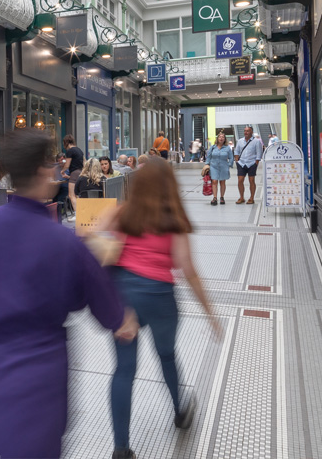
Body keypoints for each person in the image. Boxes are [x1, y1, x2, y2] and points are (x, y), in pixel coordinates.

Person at [0, 129, 135, 459]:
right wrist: (125, 318)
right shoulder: (64, 242)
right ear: (43, 171)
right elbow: (113, 315)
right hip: (36, 390)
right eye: (53, 164)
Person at [101, 158, 221, 459]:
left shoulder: (121, 215)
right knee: (166, 354)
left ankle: (121, 448)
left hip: (124, 298)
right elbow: (189, 271)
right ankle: (180, 411)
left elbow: (99, 251)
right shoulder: (173, 222)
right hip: (160, 298)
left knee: (124, 369)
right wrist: (210, 314)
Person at [234, 125, 263, 204]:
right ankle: (241, 197)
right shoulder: (240, 141)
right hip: (241, 163)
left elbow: (259, 153)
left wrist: (255, 163)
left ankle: (251, 198)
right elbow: (236, 151)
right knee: (240, 180)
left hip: (251, 163)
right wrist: (237, 161)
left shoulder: (256, 141)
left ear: (251, 132)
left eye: (247, 131)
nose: (245, 132)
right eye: (245, 131)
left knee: (251, 181)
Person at [206, 132, 234, 206]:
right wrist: (207, 165)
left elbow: (231, 157)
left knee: (222, 182)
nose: (221, 138)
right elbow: (208, 156)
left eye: (223, 137)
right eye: (220, 137)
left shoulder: (227, 148)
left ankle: (222, 197)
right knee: (214, 181)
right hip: (213, 166)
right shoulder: (213, 147)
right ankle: (215, 198)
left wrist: (229, 164)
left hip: (223, 166)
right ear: (217, 138)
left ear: (225, 139)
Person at [62, 134, 84, 214]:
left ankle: (77, 214)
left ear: (66, 142)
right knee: (77, 195)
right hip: (80, 172)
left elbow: (67, 165)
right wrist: (69, 176)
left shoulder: (70, 151)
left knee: (71, 195)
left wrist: (62, 171)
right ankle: (81, 213)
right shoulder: (79, 150)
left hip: (74, 173)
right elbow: (84, 162)